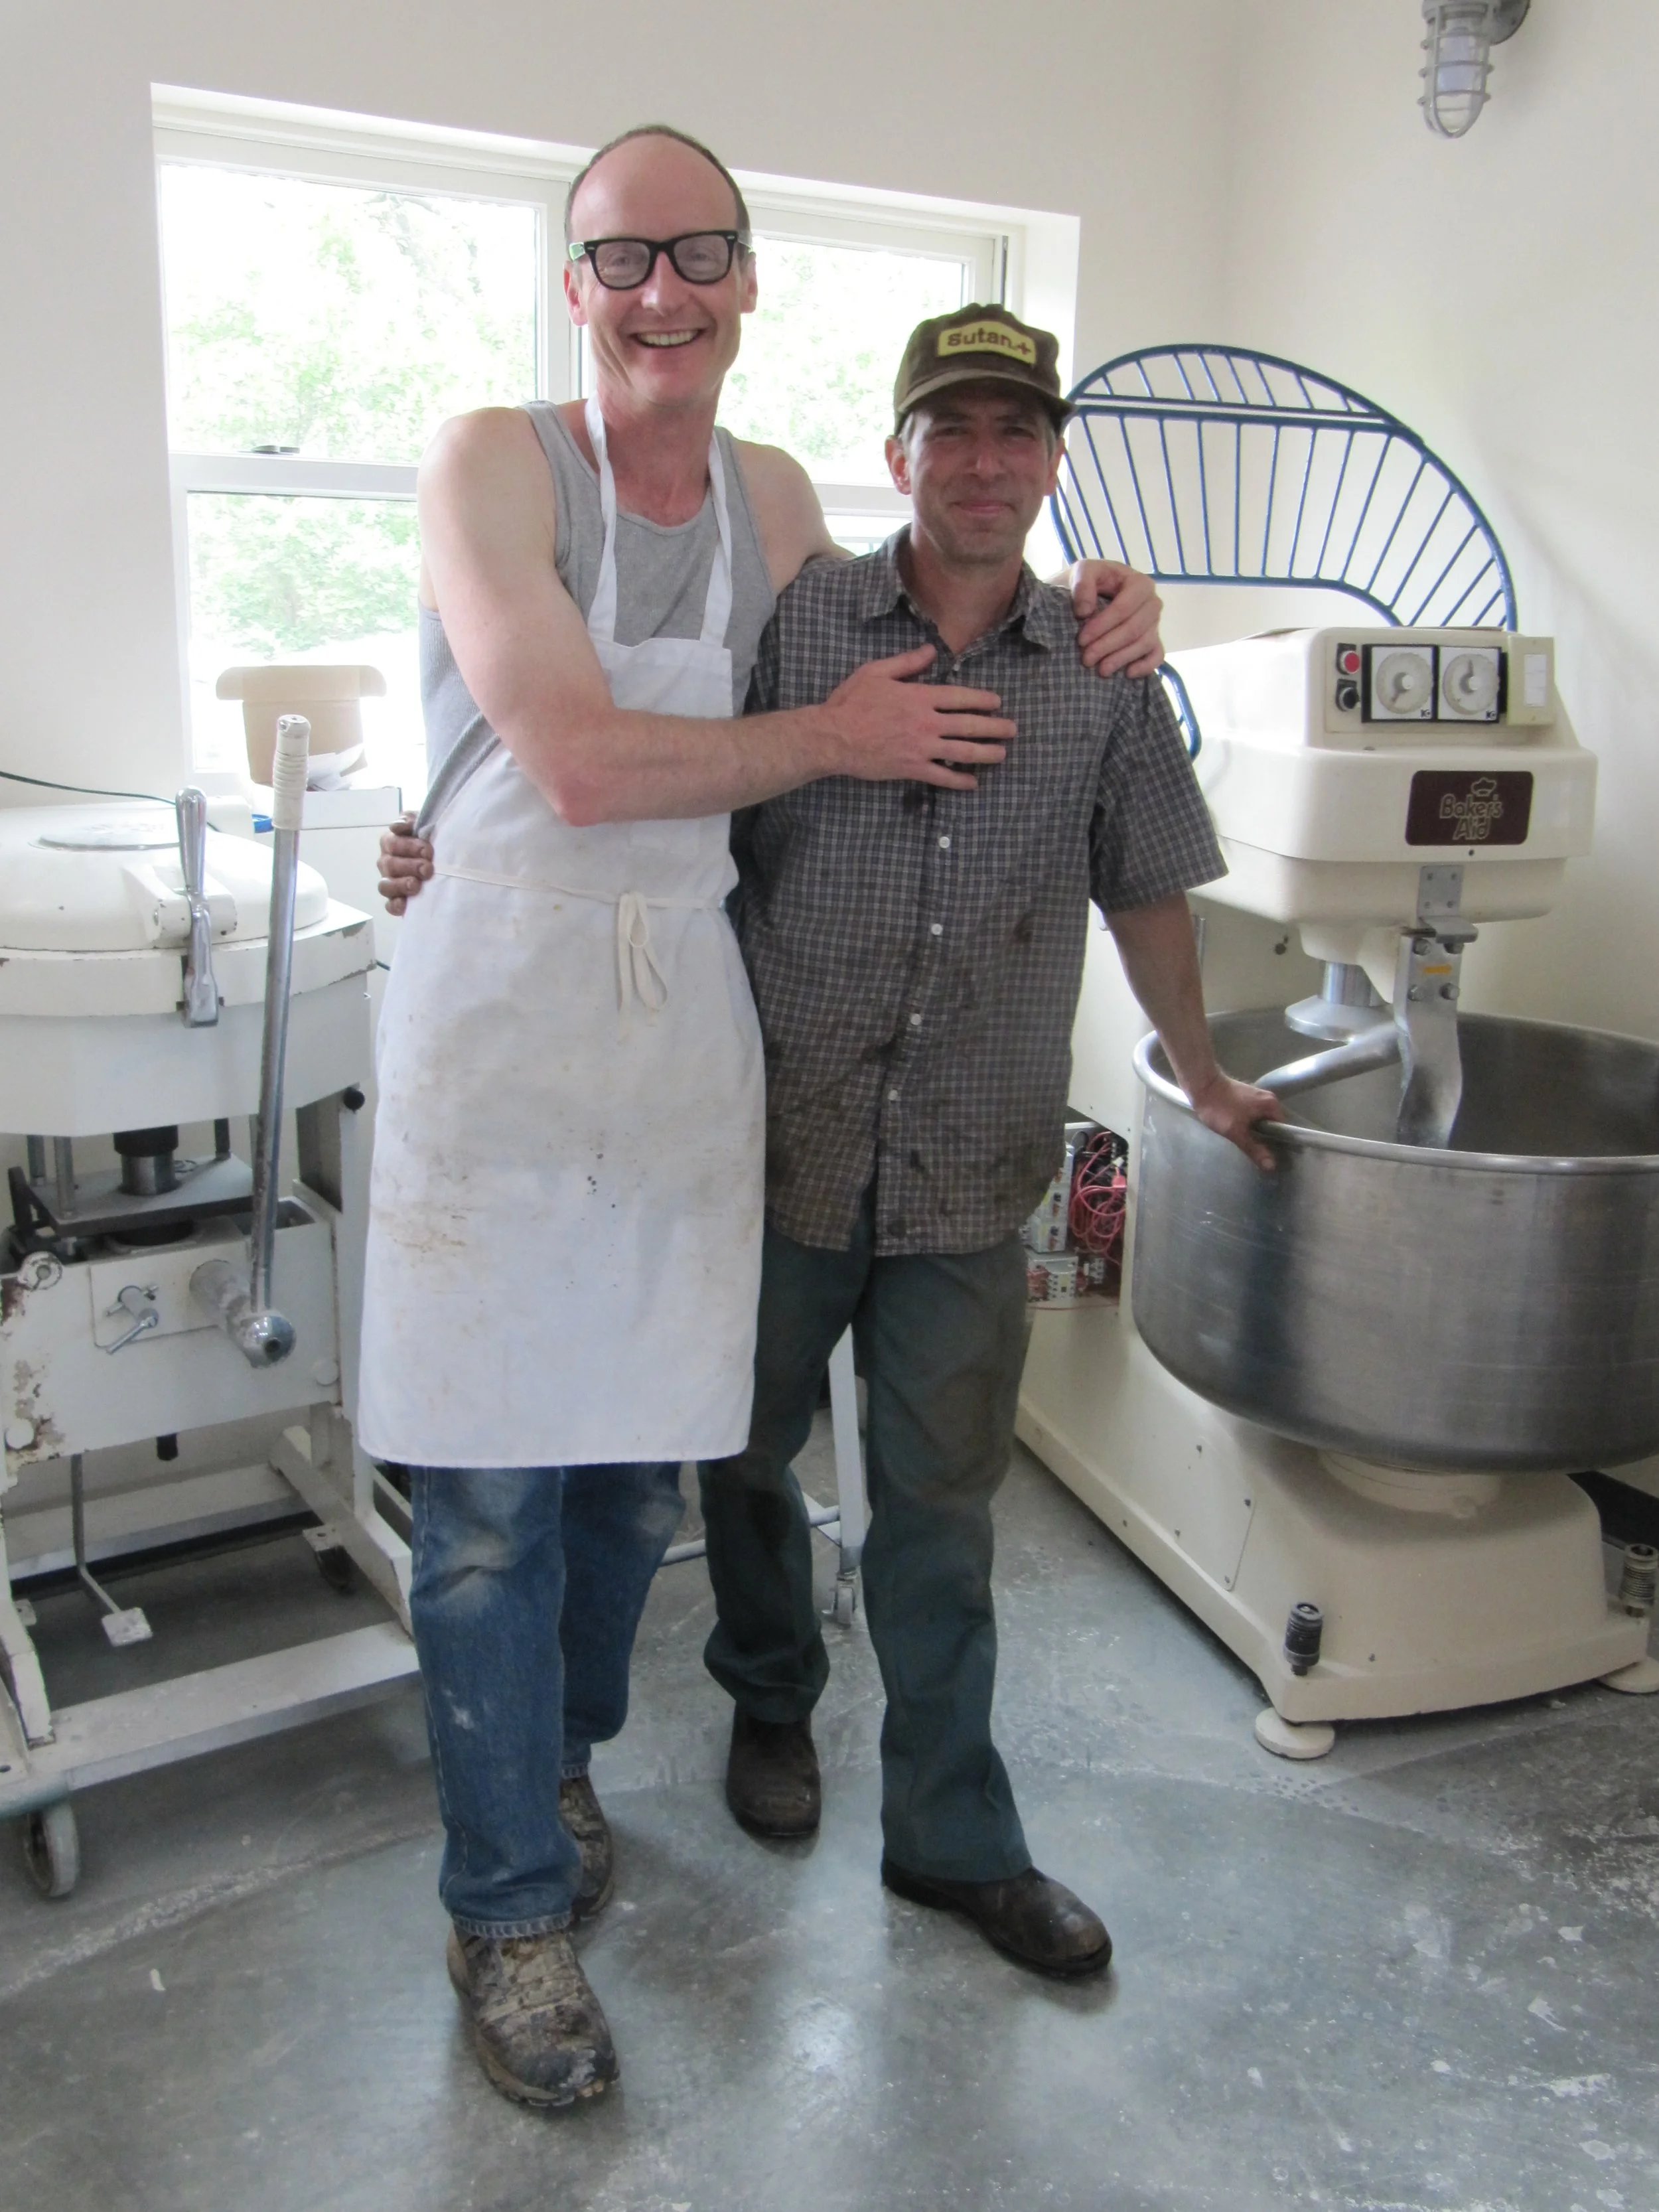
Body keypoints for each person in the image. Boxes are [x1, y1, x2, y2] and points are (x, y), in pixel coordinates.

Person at [362, 124, 1163, 2111]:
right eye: (623, 257)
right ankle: (504, 1907)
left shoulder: (776, 497)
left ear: (743, 281)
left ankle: (553, 1768)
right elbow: (571, 757)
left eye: (700, 254)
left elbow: (927, 613)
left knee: (635, 1480)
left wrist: (1107, 607)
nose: (664, 291)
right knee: (487, 1513)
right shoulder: (490, 460)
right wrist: (815, 738)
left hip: (680, 1032)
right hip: (501, 1031)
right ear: (576, 285)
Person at [693, 304, 1284, 1977]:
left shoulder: (1101, 667)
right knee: (739, 1453)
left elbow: (1145, 887)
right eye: (946, 429)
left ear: (1048, 463)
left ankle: (951, 1837)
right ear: (894, 456)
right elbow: (669, 787)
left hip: (967, 1161)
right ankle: (768, 1697)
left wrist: (1202, 1072)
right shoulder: (799, 621)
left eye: (1012, 431)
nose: (979, 461)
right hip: (779, 1143)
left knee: (941, 1510)